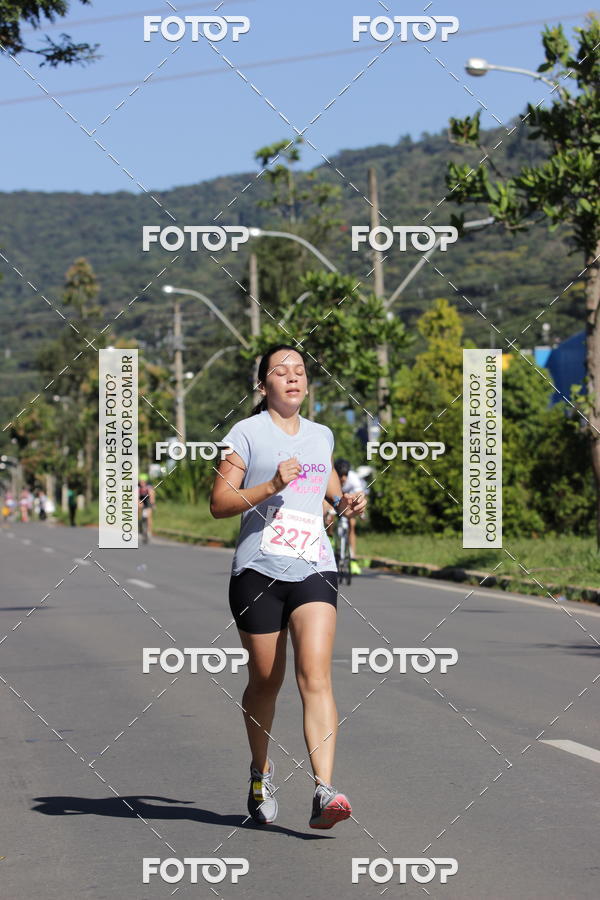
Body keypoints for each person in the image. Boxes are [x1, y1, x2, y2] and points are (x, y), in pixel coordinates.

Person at [210, 344, 367, 830]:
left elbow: (329, 493)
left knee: (315, 676)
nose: (293, 377)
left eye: (300, 370)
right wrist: (271, 485)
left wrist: (347, 504)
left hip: (314, 566)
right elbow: (219, 503)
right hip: (258, 571)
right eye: (281, 371)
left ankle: (324, 789)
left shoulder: (322, 436)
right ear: (263, 386)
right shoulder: (246, 434)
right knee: (266, 681)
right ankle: (261, 771)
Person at [324, 459, 365, 573]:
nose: (343, 478)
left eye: (345, 475)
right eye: (341, 475)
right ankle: (330, 535)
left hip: (347, 502)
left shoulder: (353, 478)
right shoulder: (330, 476)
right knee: (329, 515)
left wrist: (360, 510)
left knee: (352, 524)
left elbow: (360, 494)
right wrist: (328, 511)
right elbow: (326, 499)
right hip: (334, 501)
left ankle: (353, 559)